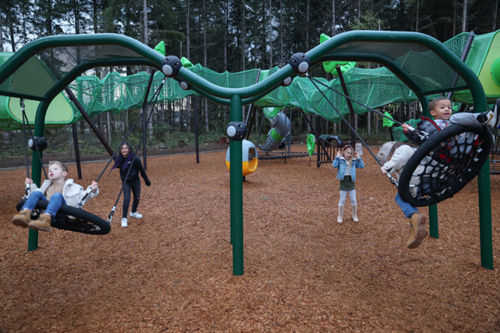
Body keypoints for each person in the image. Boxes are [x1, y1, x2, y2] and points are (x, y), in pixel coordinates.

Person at [381, 97, 499, 249]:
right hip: (440, 165)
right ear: (433, 112)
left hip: (456, 152)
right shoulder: (432, 125)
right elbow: (421, 139)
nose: (447, 110)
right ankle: (414, 219)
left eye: (449, 107)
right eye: (442, 107)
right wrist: (409, 133)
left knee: (458, 118)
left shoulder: (455, 122)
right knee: (401, 196)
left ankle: (487, 120)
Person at [12, 161, 99, 232]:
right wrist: (31, 185)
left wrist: (92, 189)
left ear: (64, 173)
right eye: (49, 170)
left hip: (63, 214)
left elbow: (84, 197)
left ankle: (46, 218)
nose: (51, 171)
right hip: (43, 211)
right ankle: (25, 214)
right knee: (36, 193)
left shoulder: (73, 186)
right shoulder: (46, 185)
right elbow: (34, 196)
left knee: (57, 196)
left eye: (55, 169)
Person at [110, 142, 151, 228]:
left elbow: (142, 171)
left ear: (129, 149)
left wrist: (146, 181)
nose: (124, 150)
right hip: (126, 182)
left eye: (125, 148)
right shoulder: (120, 159)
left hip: (135, 181)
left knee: (137, 197)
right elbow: (116, 164)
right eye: (122, 149)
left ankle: (133, 212)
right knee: (127, 198)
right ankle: (124, 218)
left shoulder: (135, 159)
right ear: (120, 151)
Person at [332, 145, 364, 223]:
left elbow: (362, 166)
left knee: (353, 199)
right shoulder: (340, 160)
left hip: (351, 181)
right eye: (347, 153)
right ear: (344, 152)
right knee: (342, 199)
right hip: (343, 181)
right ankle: (340, 216)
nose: (349, 155)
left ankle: (354, 215)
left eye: (350, 153)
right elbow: (334, 165)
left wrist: (358, 157)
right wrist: (337, 157)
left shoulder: (353, 160)